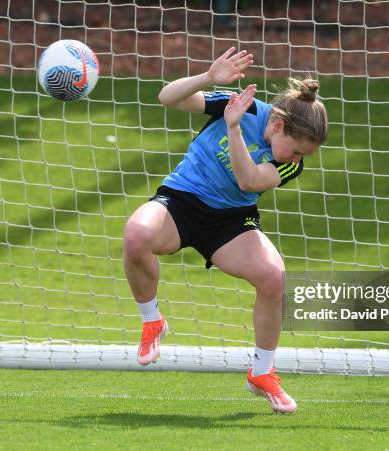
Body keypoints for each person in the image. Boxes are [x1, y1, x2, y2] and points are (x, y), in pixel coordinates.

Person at [123, 47, 328, 413]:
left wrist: (232, 128)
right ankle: (152, 321)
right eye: (296, 151)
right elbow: (167, 97)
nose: (298, 161)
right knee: (136, 235)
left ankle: (262, 372)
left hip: (230, 221)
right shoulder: (244, 106)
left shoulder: (285, 165)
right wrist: (208, 78)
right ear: (279, 125)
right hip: (181, 201)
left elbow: (249, 181)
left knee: (274, 277)